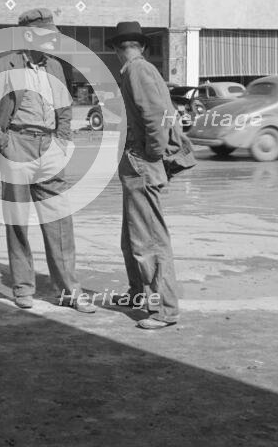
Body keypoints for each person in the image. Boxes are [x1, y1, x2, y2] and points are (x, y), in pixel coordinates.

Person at [0, 8, 96, 313]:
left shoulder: (55, 66)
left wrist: (61, 141)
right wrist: (4, 144)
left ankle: (70, 291)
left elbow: (65, 109)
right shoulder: (4, 64)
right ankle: (23, 288)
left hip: (49, 149)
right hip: (17, 145)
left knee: (59, 223)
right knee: (18, 223)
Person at [106, 21, 186, 330]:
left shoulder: (137, 71)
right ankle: (139, 294)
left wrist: (150, 155)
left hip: (141, 162)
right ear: (142, 46)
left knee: (148, 240)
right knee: (131, 238)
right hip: (136, 162)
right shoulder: (140, 69)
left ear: (116, 49)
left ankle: (163, 309)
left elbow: (155, 117)